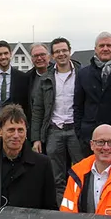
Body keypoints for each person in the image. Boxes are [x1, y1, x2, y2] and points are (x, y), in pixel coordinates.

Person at [31, 37, 84, 202]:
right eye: (57, 52)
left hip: (76, 130)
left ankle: (82, 206)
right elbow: (38, 109)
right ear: (52, 56)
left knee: (82, 171)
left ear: (69, 51)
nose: (61, 54)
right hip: (54, 130)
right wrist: (36, 139)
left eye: (64, 50)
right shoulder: (45, 78)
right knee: (56, 175)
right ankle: (60, 209)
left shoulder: (82, 74)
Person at [25, 43, 51, 111]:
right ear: (31, 59)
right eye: (36, 56)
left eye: (42, 54)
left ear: (49, 56)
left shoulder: (57, 73)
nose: (39, 58)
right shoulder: (27, 78)